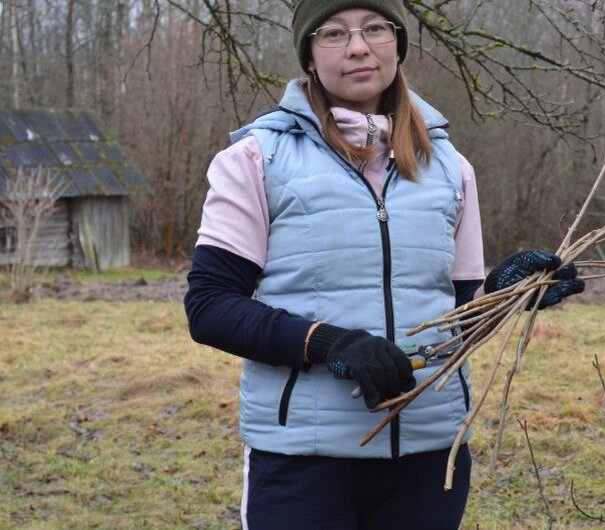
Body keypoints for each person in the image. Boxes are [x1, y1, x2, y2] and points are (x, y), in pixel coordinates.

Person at [184, 1, 584, 528]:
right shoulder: (258, 160)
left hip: (429, 455)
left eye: (375, 28)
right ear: (309, 56)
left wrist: (504, 293)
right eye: (333, 33)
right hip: (303, 460)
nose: (357, 46)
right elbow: (210, 306)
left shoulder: (449, 168)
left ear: (397, 43)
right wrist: (330, 343)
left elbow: (457, 315)